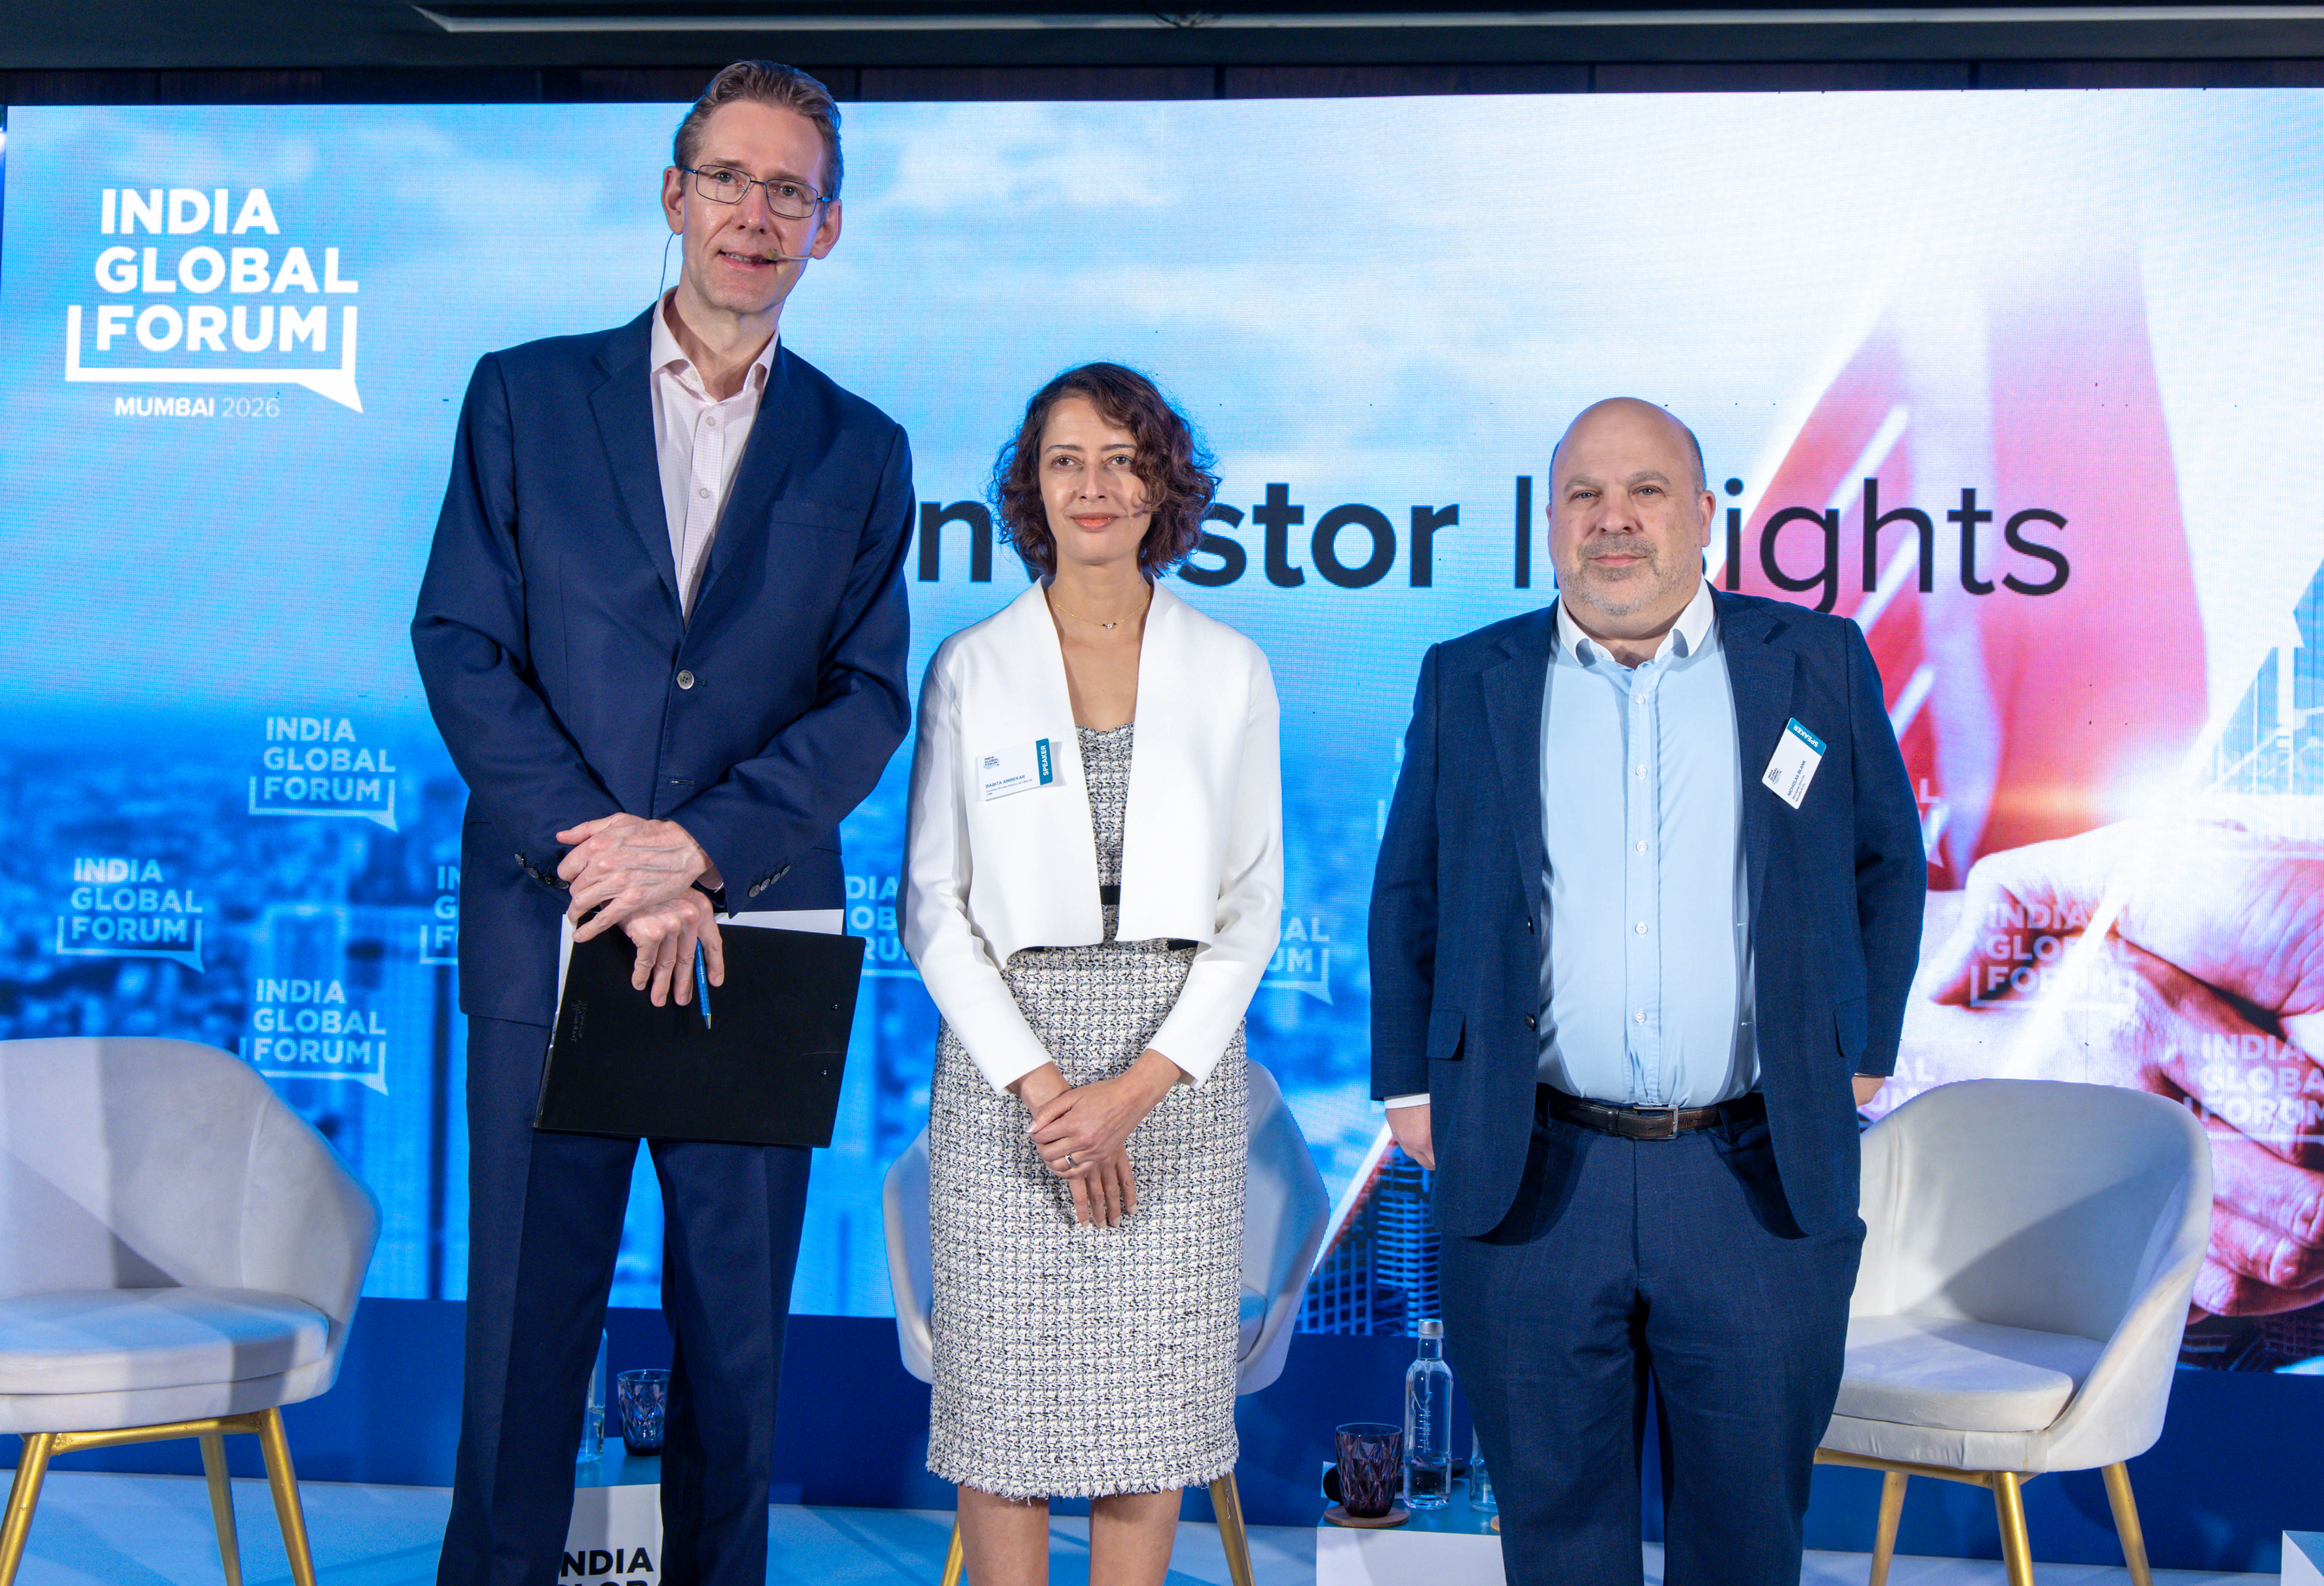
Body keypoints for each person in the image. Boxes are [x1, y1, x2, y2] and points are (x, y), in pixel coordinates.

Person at [410, 61, 913, 1586]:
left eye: (790, 191)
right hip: (550, 926)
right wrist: (611, 854)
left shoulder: (862, 447)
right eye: (730, 179)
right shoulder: (522, 393)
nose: (756, 213)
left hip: (753, 939)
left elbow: (866, 698)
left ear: (827, 228)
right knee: (522, 1352)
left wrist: (691, 850)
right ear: (674, 196)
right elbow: (462, 643)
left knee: (737, 1363)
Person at [1369, 397, 1924, 1586]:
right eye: (1584, 495)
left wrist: (1862, 1050)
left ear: (1705, 515)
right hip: (1533, 1174)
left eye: (1646, 491)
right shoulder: (1470, 678)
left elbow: (1889, 860)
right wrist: (1409, 1087)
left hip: (1757, 1175)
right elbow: (1410, 888)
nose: (1612, 519)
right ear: (1550, 521)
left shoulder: (1815, 662)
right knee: (1556, 1536)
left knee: (1747, 1538)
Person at [902, 363, 1282, 1586]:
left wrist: (1133, 1093)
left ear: (1161, 482)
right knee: (1004, 1424)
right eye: (1066, 461)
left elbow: (1252, 912)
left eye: (1122, 460)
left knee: (1149, 1424)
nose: (1094, 486)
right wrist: (1049, 1091)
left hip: (1173, 1072)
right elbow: (932, 910)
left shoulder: (1230, 667)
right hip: (1011, 1072)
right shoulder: (972, 665)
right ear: (1033, 487)